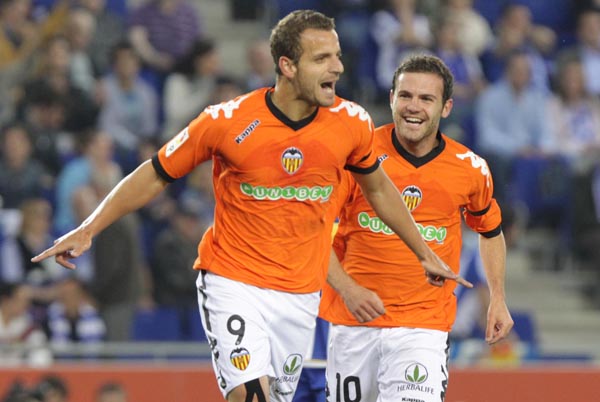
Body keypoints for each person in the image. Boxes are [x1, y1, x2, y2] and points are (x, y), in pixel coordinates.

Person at [32, 10, 469, 402]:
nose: (337, 67)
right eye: (322, 58)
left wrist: (423, 251)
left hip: (300, 296)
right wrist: (89, 227)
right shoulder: (226, 121)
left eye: (337, 56)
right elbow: (155, 173)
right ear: (287, 66)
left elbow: (380, 191)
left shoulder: (351, 123)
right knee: (250, 396)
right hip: (234, 281)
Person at [319, 54, 513, 402]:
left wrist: (497, 297)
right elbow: (313, 230)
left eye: (426, 98)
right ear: (391, 98)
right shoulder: (356, 155)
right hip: (354, 323)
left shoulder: (470, 168)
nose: (414, 106)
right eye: (406, 95)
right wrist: (348, 290)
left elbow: (490, 231)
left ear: (446, 107)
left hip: (423, 327)